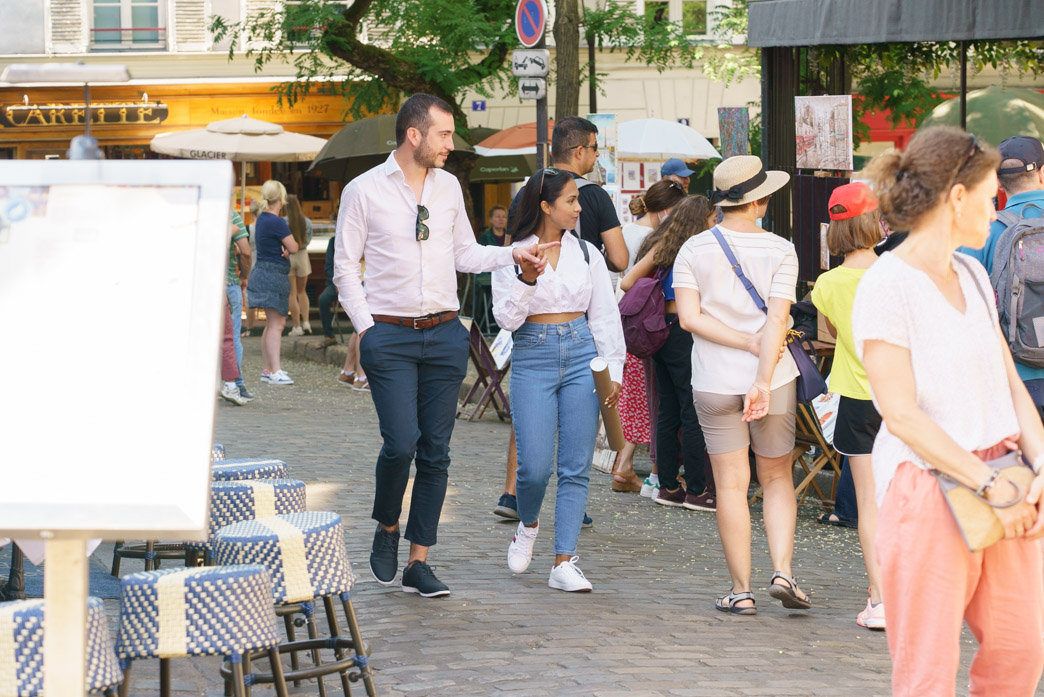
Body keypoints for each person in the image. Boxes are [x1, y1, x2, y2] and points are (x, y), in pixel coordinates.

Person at [334, 93, 551, 598]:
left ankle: (419, 560)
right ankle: (388, 525)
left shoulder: (450, 186)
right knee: (401, 443)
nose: (452, 144)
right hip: (387, 333)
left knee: (436, 453)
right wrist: (367, 329)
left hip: (445, 333)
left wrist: (513, 253)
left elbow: (465, 253)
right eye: (445, 135)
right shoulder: (363, 191)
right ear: (415, 135)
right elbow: (345, 267)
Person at [854, 126, 1044, 697]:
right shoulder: (888, 283)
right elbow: (901, 413)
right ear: (957, 197)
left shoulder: (974, 272)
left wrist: (1036, 467)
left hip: (1003, 474)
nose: (997, 208)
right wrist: (990, 485)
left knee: (1020, 647)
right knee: (927, 672)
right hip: (930, 483)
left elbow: (1009, 382)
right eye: (991, 196)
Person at [673, 155, 807, 614]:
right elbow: (778, 319)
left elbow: (689, 319)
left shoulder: (693, 249)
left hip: (712, 378)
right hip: (773, 378)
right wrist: (763, 377)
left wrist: (743, 343)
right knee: (776, 477)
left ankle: (741, 590)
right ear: (760, 200)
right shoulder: (781, 249)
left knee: (730, 485)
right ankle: (784, 571)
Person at [493, 167, 625, 592]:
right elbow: (507, 319)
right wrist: (527, 278)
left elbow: (604, 314)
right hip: (533, 353)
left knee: (575, 465)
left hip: (583, 352)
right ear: (546, 206)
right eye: (570, 200)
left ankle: (564, 560)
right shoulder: (512, 254)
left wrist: (614, 368)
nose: (579, 207)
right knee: (533, 468)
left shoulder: (588, 252)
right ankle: (528, 523)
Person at [809, 182, 886, 629]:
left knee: (870, 504)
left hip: (856, 400)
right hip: (900, 398)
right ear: (874, 222)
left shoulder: (827, 283)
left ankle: (879, 599)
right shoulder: (896, 274)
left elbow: (830, 336)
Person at [623, 195, 717, 510]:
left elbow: (626, 282)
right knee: (691, 409)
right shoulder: (699, 252)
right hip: (684, 331)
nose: (715, 224)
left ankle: (666, 486)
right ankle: (696, 489)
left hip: (659, 329)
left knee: (667, 410)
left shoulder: (664, 247)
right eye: (712, 218)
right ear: (702, 221)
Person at [613, 179, 690, 494]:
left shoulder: (628, 232)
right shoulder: (660, 238)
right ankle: (654, 473)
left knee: (643, 400)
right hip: (654, 323)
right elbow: (634, 280)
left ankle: (628, 465)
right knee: (656, 402)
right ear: (669, 209)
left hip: (630, 322)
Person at [960, 136, 1044, 418]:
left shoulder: (983, 232)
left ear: (998, 183)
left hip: (1011, 377)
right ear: (1042, 173)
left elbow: (960, 306)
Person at [508, 116, 628, 272]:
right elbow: (619, 261)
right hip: (581, 291)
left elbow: (508, 252)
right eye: (594, 147)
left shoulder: (525, 193)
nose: (598, 154)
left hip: (532, 284)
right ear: (579, 152)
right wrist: (595, 255)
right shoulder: (596, 195)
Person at [248, 179, 298, 386]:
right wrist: (286, 249)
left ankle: (268, 369)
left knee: (271, 324)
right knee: (277, 324)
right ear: (282, 197)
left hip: (262, 271)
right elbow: (294, 247)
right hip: (274, 274)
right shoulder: (277, 221)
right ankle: (275, 370)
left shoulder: (261, 218)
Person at [226, 209, 253, 401]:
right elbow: (245, 250)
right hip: (228, 283)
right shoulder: (231, 216)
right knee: (232, 336)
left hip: (200, 285)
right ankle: (235, 383)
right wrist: (244, 276)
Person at [285, 194, 314, 336]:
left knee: (293, 293)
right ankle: (306, 322)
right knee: (303, 292)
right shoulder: (307, 221)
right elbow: (308, 240)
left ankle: (296, 326)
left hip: (289, 257)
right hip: (303, 256)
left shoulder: (284, 222)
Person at [243, 198, 263, 337]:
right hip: (264, 262)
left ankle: (250, 328)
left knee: (250, 297)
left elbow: (245, 250)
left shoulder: (248, 229)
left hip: (252, 263)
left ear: (251, 213)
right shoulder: (265, 228)